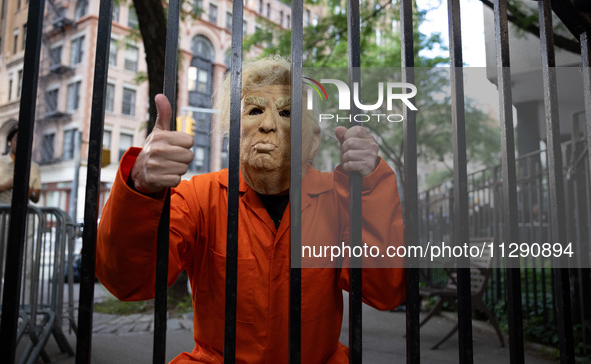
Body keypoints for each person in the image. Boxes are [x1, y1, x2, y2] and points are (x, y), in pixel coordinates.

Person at [96, 56, 405, 363]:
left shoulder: (338, 198)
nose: (267, 125)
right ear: (235, 133)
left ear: (312, 142)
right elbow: (127, 281)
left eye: (286, 113)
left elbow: (384, 290)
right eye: (254, 110)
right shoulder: (198, 197)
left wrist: (370, 184)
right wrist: (141, 190)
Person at [0, 126, 41, 204]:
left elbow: (36, 198)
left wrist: (30, 191)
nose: (20, 143)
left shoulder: (34, 167)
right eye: (17, 139)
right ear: (9, 142)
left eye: (25, 140)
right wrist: (6, 186)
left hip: (22, 213)